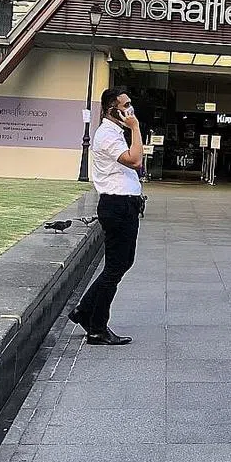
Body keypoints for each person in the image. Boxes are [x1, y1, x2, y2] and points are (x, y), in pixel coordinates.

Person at [67, 88, 144, 346]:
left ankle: (84, 311)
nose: (130, 109)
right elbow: (135, 160)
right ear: (112, 109)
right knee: (115, 266)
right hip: (117, 205)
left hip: (124, 204)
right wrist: (135, 127)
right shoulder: (107, 135)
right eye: (126, 105)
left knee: (122, 263)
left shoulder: (115, 133)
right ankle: (97, 328)